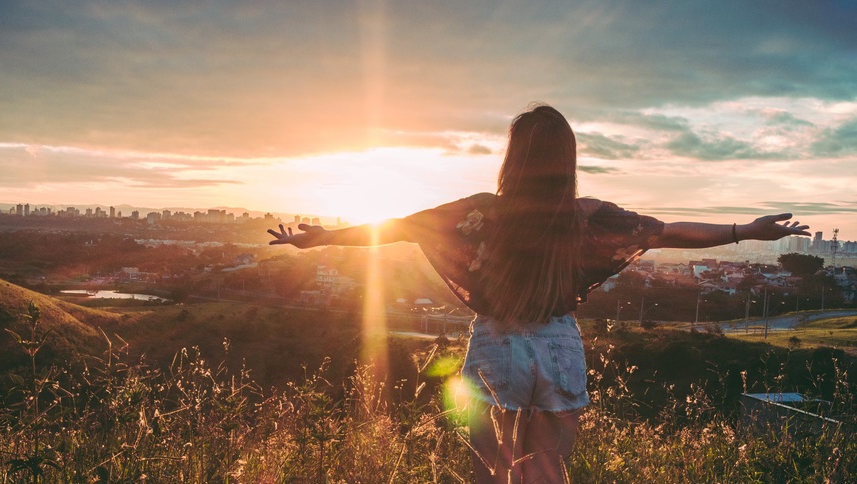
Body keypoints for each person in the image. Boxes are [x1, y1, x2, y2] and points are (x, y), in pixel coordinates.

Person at [267, 104, 810, 483]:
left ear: (514, 157)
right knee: (547, 475)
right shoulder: (587, 214)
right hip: (559, 346)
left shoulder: (483, 209)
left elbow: (398, 226)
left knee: (491, 475)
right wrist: (745, 231)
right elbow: (665, 230)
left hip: (496, 346)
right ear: (566, 158)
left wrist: (320, 239)